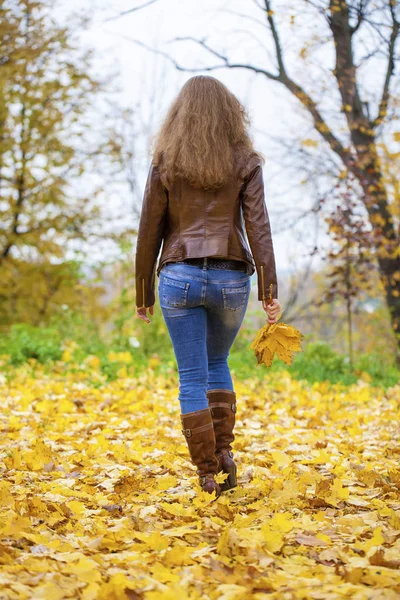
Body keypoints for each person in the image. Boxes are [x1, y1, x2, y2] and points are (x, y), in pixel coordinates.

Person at [135, 75, 281, 499]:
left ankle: (205, 473)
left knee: (192, 375)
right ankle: (225, 458)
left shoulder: (166, 160)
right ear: (230, 113)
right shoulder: (246, 161)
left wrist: (143, 291)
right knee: (217, 364)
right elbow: (260, 228)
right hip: (231, 279)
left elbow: (149, 231)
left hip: (178, 276)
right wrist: (268, 291)